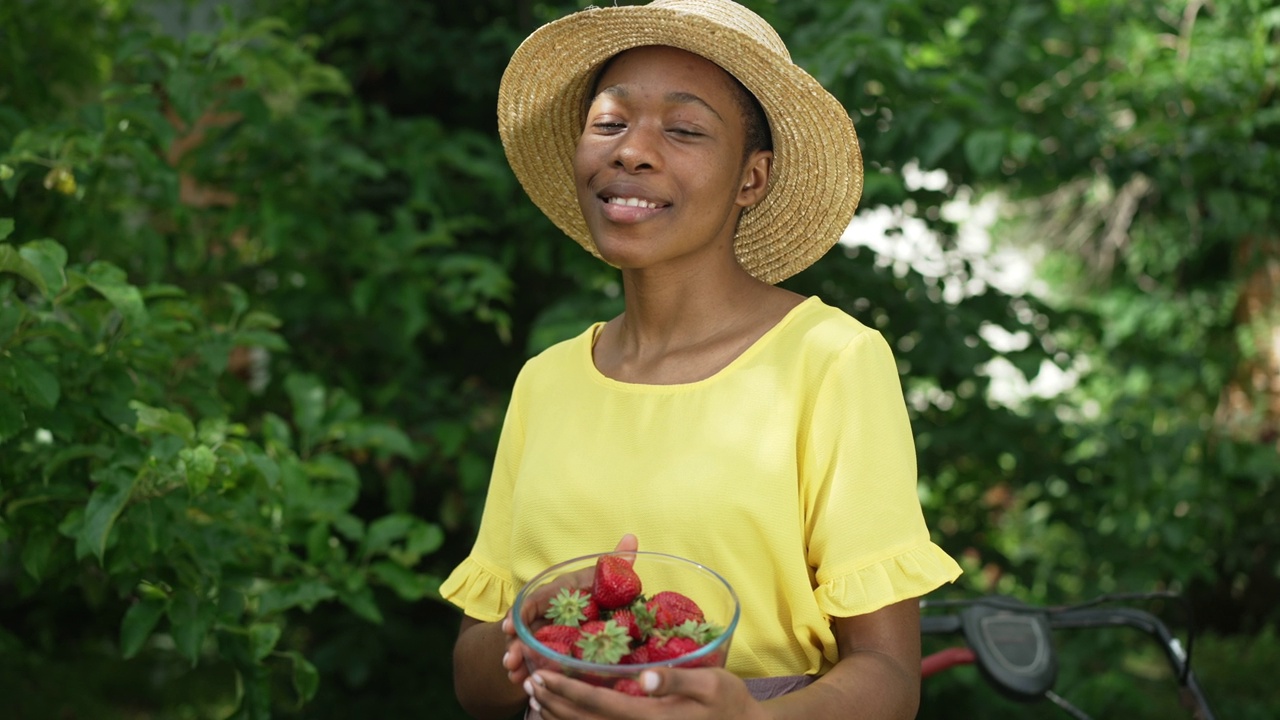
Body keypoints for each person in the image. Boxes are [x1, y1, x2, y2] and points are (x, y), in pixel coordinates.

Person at [442, 1, 963, 718]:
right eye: (609, 122)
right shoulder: (547, 380)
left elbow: (890, 679)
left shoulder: (830, 361)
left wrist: (750, 716)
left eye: (684, 130)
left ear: (752, 179)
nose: (632, 151)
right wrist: (545, 646)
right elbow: (474, 676)